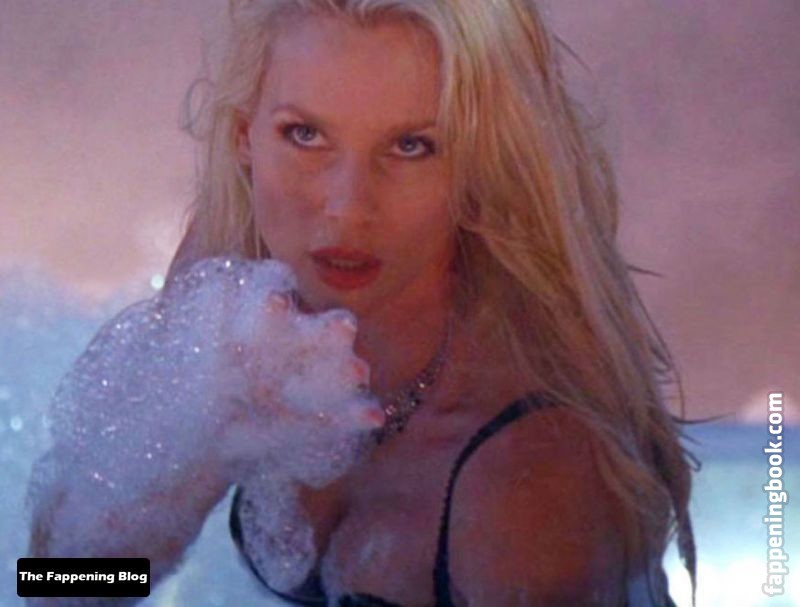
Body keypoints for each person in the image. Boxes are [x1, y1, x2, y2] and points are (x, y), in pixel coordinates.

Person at [27, 0, 699, 605]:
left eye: (411, 146)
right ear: (243, 135)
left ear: (478, 163)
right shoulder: (234, 267)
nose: (347, 208)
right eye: (305, 135)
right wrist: (196, 454)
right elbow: (57, 582)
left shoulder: (529, 481)